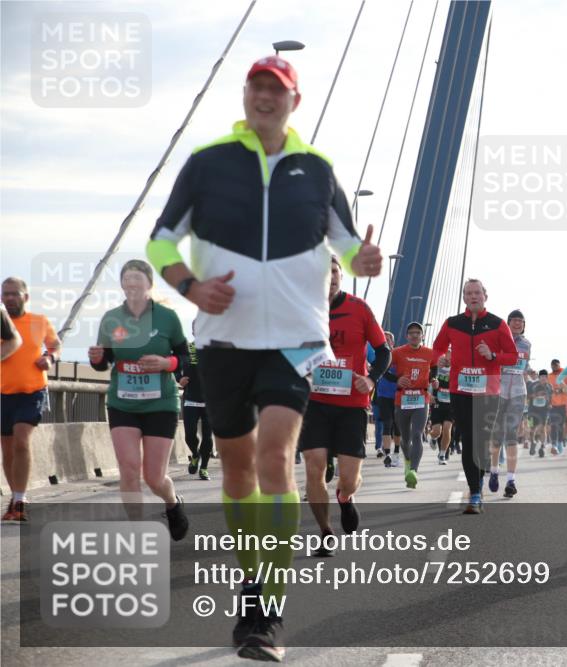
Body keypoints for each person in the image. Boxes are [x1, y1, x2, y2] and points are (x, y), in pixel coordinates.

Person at [146, 54, 383, 662]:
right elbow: (160, 241)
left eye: (276, 89)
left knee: (276, 458)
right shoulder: (207, 164)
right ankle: (251, 573)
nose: (265, 97)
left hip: (295, 341)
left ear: (294, 101)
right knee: (237, 473)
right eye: (256, 87)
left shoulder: (319, 170)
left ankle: (263, 608)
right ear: (245, 96)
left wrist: (363, 261)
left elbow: (349, 246)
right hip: (224, 339)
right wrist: (190, 288)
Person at [87, 260, 189, 537]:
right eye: (126, 279)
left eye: (137, 279)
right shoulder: (112, 318)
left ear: (149, 284)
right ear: (122, 285)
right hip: (123, 403)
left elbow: (185, 359)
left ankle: (172, 502)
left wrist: (166, 363)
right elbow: (104, 361)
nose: (131, 284)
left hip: (161, 404)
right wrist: (97, 358)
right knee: (129, 469)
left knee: (154, 477)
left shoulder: (168, 318)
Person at [300, 257, 389, 556]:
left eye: (335, 272)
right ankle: (325, 532)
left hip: (352, 404)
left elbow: (383, 351)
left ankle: (345, 497)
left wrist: (372, 378)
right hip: (315, 402)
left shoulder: (359, 308)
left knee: (349, 479)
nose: (331, 278)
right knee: (314, 467)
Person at [431, 279, 517, 513]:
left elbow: (512, 356)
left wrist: (492, 356)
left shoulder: (497, 324)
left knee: (481, 441)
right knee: (468, 440)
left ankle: (477, 487)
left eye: (477, 293)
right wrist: (440, 358)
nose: (473, 297)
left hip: (488, 392)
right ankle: (475, 492)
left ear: (485, 296)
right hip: (461, 391)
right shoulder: (452, 323)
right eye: (468, 293)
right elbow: (436, 348)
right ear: (464, 298)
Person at [1, 277, 61, 523]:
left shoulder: (39, 321)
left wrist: (50, 358)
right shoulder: (1, 321)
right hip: (3, 393)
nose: (9, 298)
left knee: (22, 441)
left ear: (26, 297)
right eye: (5, 294)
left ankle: (20, 499)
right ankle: (14, 499)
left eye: (14, 293)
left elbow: (55, 345)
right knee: (7, 450)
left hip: (33, 391)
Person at [391, 322, 437, 489]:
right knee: (405, 437)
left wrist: (433, 380)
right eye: (411, 333)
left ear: (422, 336)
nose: (415, 335)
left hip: (421, 398)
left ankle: (413, 472)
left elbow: (435, 367)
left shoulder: (430, 353)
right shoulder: (397, 352)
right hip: (401, 399)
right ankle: (408, 460)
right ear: (406, 336)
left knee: (417, 434)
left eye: (418, 333)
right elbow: (383, 370)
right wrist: (396, 379)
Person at [492, 309, 531, 497]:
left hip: (518, 392)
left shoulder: (527, 344)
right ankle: (493, 471)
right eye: (514, 320)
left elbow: (524, 366)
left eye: (520, 321)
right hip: (499, 390)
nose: (517, 324)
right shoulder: (499, 340)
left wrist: (530, 373)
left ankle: (511, 480)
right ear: (507, 323)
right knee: (497, 433)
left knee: (511, 434)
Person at [177, 325, 213, 481]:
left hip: (210, 400)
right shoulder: (187, 349)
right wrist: (179, 378)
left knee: (207, 437)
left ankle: (204, 468)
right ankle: (195, 455)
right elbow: (175, 365)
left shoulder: (214, 350)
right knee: (190, 435)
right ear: (193, 331)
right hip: (191, 398)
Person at [375, 332, 402, 467]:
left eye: (388, 339)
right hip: (383, 395)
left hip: (398, 395)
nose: (386, 341)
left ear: (393, 342)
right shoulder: (380, 356)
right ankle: (387, 455)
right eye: (383, 339)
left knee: (398, 427)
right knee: (387, 423)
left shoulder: (399, 355)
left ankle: (396, 452)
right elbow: (383, 373)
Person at [429, 351, 454, 465]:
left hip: (451, 404)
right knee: (437, 431)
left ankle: (442, 454)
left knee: (447, 428)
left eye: (451, 357)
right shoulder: (436, 368)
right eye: (446, 357)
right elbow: (428, 380)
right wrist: (429, 395)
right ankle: (433, 438)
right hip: (437, 402)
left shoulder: (457, 369)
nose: (448, 359)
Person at [547, 359, 567, 455]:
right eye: (553, 365)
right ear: (551, 366)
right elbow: (546, 390)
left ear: (559, 365)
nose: (555, 367)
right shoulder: (549, 376)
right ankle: (554, 445)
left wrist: (561, 391)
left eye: (556, 365)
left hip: (565, 404)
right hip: (553, 405)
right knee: (554, 424)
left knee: (560, 425)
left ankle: (560, 443)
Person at [527, 369, 552, 456]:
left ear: (547, 377)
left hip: (544, 410)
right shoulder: (532, 385)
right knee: (531, 429)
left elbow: (551, 399)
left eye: (545, 377)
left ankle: (542, 446)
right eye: (541, 376)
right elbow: (527, 396)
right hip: (532, 410)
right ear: (539, 377)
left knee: (542, 428)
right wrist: (536, 395)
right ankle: (532, 443)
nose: (543, 378)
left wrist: (548, 401)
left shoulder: (549, 386)